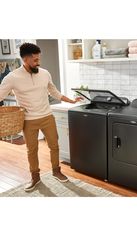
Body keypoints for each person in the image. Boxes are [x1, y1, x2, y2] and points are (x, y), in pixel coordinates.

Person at [0, 43, 83, 191]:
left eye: (39, 59)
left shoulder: (44, 73)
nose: (38, 62)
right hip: (28, 120)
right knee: (32, 150)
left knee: (54, 145)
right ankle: (35, 177)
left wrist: (71, 100)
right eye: (35, 60)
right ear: (25, 59)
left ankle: (56, 171)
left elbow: (54, 91)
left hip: (47, 116)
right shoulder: (12, 77)